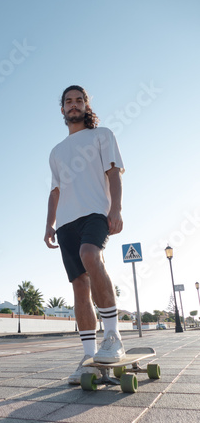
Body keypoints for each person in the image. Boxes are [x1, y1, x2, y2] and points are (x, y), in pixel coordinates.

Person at [44, 85, 125, 385]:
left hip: (95, 213)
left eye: (79, 100)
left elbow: (114, 173)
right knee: (79, 286)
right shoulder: (55, 152)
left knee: (91, 255)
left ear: (86, 106)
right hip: (66, 223)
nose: (74, 105)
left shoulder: (102, 135)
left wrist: (115, 209)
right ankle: (89, 357)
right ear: (62, 109)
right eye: (69, 101)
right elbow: (55, 192)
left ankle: (113, 338)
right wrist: (49, 224)